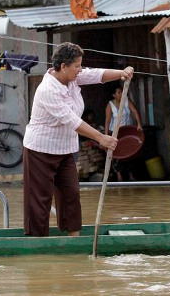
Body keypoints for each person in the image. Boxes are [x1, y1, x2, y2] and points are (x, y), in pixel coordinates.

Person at [23, 42, 134, 237]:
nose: (80, 70)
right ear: (63, 66)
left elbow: (96, 74)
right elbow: (71, 120)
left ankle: (73, 239)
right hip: (40, 150)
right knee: (40, 199)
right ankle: (37, 243)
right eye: (77, 66)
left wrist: (121, 73)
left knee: (71, 194)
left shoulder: (73, 77)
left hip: (65, 149)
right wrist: (101, 138)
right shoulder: (48, 89)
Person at [104, 85, 143, 181]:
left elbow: (135, 111)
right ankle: (119, 175)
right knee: (116, 154)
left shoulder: (126, 101)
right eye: (119, 93)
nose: (121, 94)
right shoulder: (110, 105)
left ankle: (130, 174)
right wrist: (105, 135)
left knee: (129, 152)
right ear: (114, 95)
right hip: (115, 132)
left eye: (122, 92)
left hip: (127, 131)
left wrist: (139, 124)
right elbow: (107, 121)